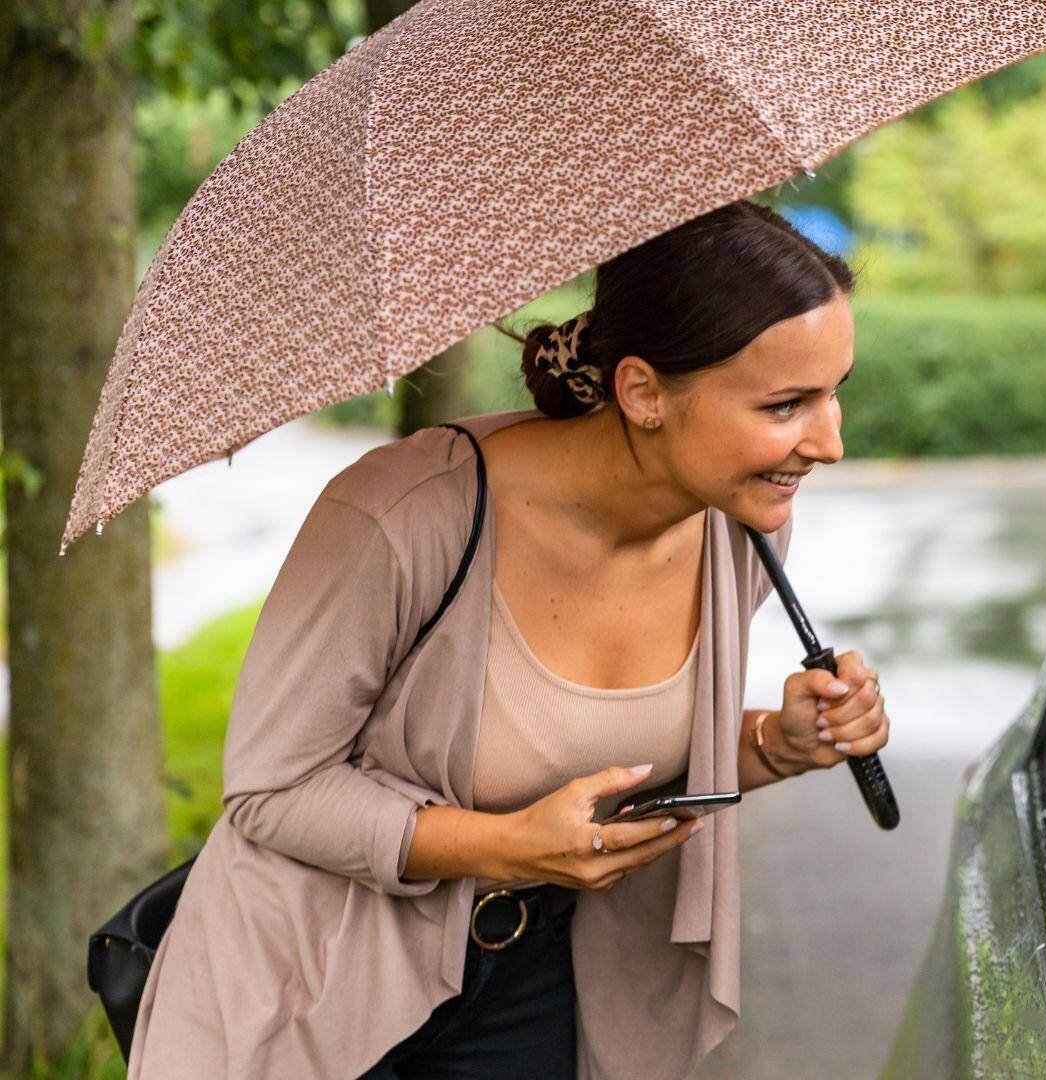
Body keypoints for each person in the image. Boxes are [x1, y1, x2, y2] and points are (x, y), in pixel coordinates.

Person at [123, 200, 892, 1080]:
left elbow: (628, 761)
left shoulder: (739, 528)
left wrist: (774, 742)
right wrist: (506, 846)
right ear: (642, 393)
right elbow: (272, 790)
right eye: (787, 404)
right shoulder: (402, 515)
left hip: (532, 977)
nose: (829, 442)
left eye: (836, 392)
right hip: (307, 985)